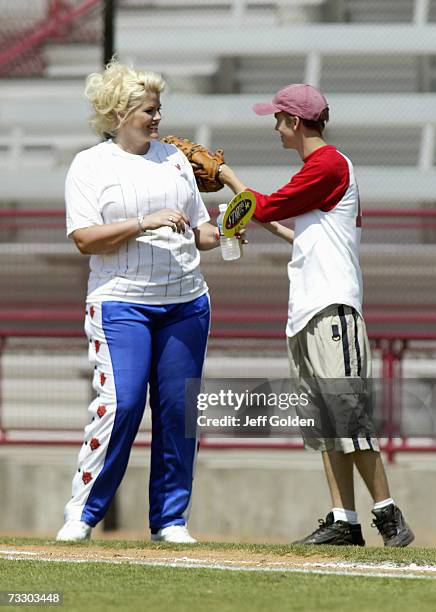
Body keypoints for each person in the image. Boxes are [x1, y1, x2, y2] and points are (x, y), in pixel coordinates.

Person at [218, 84, 414, 547]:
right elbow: (301, 234)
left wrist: (227, 176)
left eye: (279, 119)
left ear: (297, 122)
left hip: (331, 309)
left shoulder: (327, 164)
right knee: (325, 422)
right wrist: (248, 216)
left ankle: (388, 516)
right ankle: (344, 520)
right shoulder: (320, 170)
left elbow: (263, 204)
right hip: (311, 310)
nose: (275, 126)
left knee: (347, 416)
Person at [56, 59, 240, 544]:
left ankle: (171, 520)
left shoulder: (175, 158)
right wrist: (144, 222)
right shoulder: (90, 165)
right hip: (121, 303)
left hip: (186, 300)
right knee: (122, 403)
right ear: (118, 113)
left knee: (178, 411)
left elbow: (198, 231)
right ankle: (82, 513)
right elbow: (84, 239)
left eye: (158, 109)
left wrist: (223, 229)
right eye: (148, 110)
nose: (157, 118)